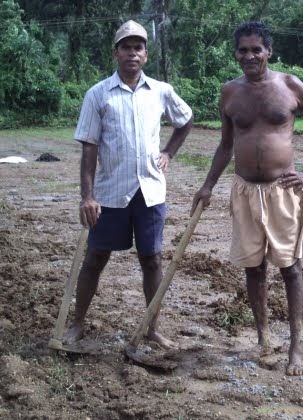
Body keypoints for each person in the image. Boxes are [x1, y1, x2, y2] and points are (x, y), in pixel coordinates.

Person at [191, 21, 303, 375]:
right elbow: (225, 146)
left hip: (283, 191)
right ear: (236, 53)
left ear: (269, 52)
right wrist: (207, 185)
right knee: (254, 268)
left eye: (257, 49)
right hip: (244, 190)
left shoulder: (289, 85)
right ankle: (263, 338)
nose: (250, 56)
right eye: (243, 49)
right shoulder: (229, 92)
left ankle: (296, 349)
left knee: (290, 267)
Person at [63, 20, 193, 349]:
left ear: (146, 55)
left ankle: (152, 327)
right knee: (95, 257)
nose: (132, 53)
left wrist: (169, 152)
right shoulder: (98, 94)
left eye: (138, 47)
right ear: (115, 53)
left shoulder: (161, 91)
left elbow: (186, 118)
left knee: (152, 259)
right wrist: (87, 196)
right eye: (126, 47)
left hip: (150, 191)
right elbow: (89, 147)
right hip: (109, 194)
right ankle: (77, 322)